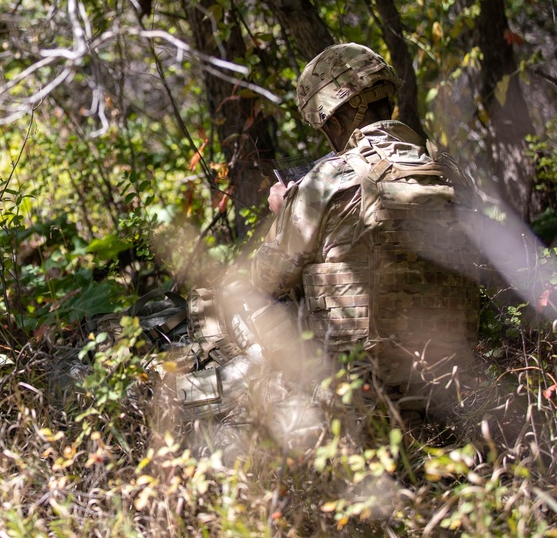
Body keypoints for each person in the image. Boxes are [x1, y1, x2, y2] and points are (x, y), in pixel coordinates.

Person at [178, 43, 481, 442]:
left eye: (324, 127)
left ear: (334, 118)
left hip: (356, 401)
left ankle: (209, 411)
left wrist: (282, 214)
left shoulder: (326, 181)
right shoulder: (450, 174)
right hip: (450, 388)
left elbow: (265, 280)